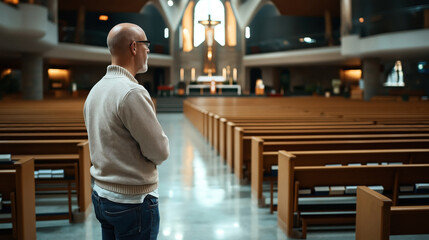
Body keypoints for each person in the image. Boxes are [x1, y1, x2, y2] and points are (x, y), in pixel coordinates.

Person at [84, 23, 170, 240]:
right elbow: (159, 151)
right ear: (134, 47)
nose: (148, 50)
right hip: (132, 202)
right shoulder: (131, 92)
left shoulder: (96, 90)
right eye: (146, 44)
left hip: (103, 196)